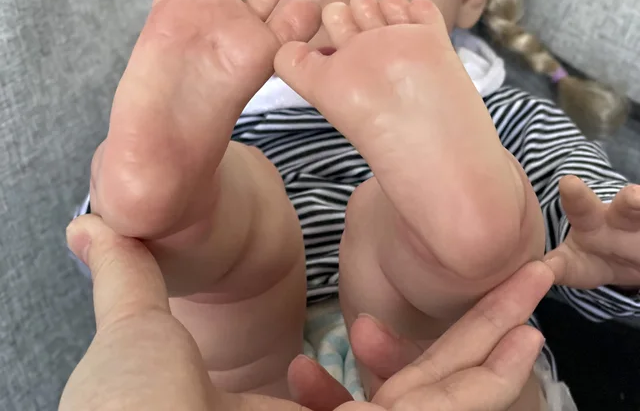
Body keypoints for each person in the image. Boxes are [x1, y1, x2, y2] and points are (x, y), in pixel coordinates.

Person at [73, 0, 640, 410]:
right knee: (231, 214)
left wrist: (613, 254)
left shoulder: (497, 112)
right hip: (235, 384)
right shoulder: (226, 110)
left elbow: (594, 248)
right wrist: (148, 215)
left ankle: (461, 244)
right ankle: (180, 207)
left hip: (453, 373)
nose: (338, 5)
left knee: (409, 232)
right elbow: (113, 259)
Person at [61, 212, 553, 411]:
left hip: (424, 330)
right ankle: (180, 209)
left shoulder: (498, 98)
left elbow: (568, 193)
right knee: (233, 228)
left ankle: (460, 226)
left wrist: (592, 255)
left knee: (401, 229)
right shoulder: (242, 99)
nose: (334, 20)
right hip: (270, 337)